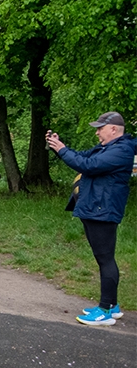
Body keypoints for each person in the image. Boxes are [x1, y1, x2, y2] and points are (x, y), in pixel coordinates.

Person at [47, 112, 136, 326]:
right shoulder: (108, 148)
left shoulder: (121, 150)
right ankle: (112, 306)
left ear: (113, 129)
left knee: (105, 259)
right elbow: (83, 157)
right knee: (103, 258)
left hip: (102, 210)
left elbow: (88, 166)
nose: (97, 132)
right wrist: (60, 146)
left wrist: (62, 150)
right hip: (96, 208)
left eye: (100, 128)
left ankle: (104, 310)